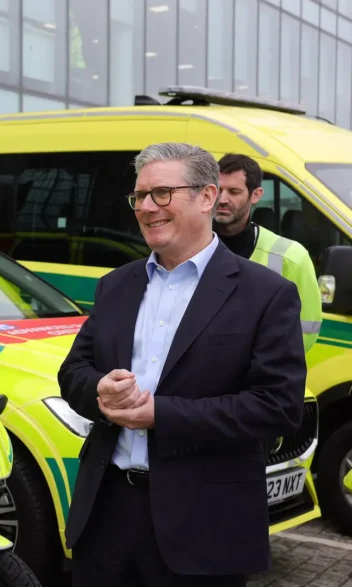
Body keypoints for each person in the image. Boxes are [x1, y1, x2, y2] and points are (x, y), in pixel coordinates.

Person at [57, 142, 306, 587]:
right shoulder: (116, 285)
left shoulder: (266, 293)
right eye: (139, 197)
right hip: (106, 516)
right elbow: (73, 372)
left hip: (204, 527)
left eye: (162, 194)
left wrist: (162, 415)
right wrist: (99, 389)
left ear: (207, 197)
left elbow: (278, 407)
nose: (147, 207)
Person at [214, 152, 321, 352]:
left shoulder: (291, 257)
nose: (222, 199)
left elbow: (306, 328)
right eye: (218, 190)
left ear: (256, 195)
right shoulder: (186, 248)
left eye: (234, 191)